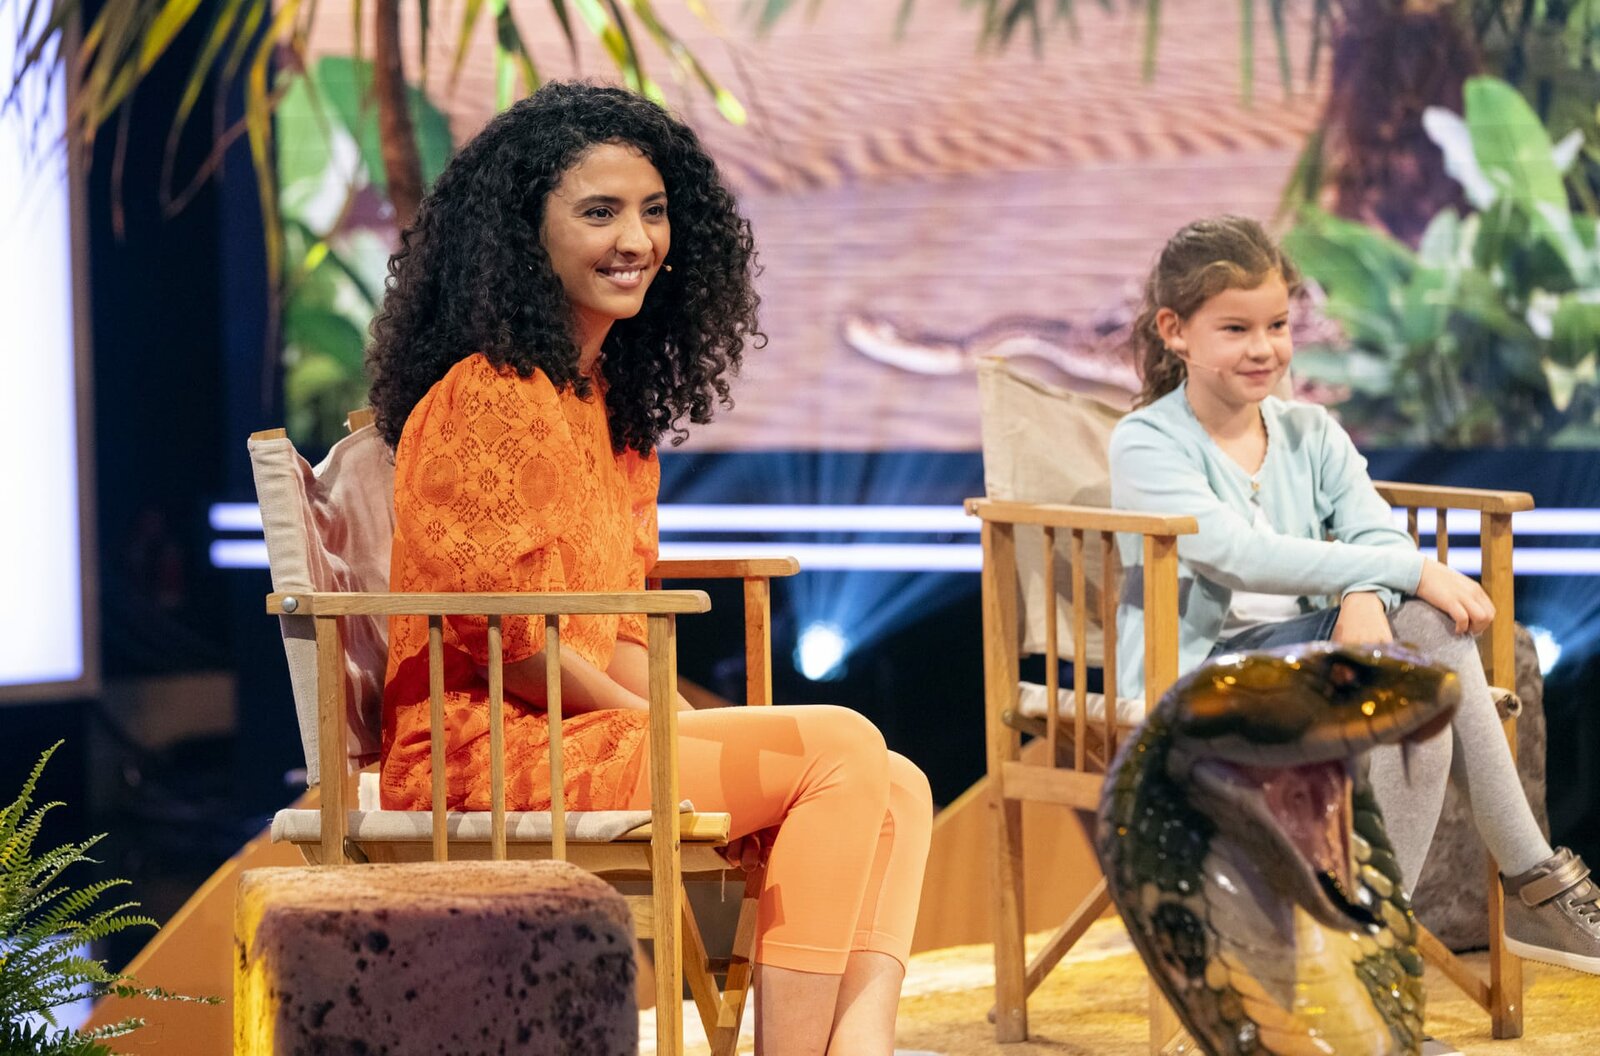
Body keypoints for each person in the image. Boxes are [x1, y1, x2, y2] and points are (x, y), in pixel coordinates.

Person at [364, 81, 932, 1053]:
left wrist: (665, 717)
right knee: (841, 749)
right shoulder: (488, 396)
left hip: (580, 733)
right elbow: (511, 647)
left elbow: (620, 627)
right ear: (525, 235)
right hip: (488, 749)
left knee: (900, 784)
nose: (637, 239)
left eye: (653, 211)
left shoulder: (606, 407)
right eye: (600, 212)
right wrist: (659, 725)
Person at [1107, 215, 1600, 976]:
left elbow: (1377, 534)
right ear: (1175, 331)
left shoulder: (1311, 429)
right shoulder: (1146, 441)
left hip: (1321, 652)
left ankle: (1380, 938)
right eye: (1235, 328)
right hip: (1203, 674)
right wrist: (1401, 575)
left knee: (1426, 653)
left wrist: (1369, 593)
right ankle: (1512, 891)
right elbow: (1236, 554)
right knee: (1424, 640)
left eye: (1277, 325)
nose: (1264, 348)